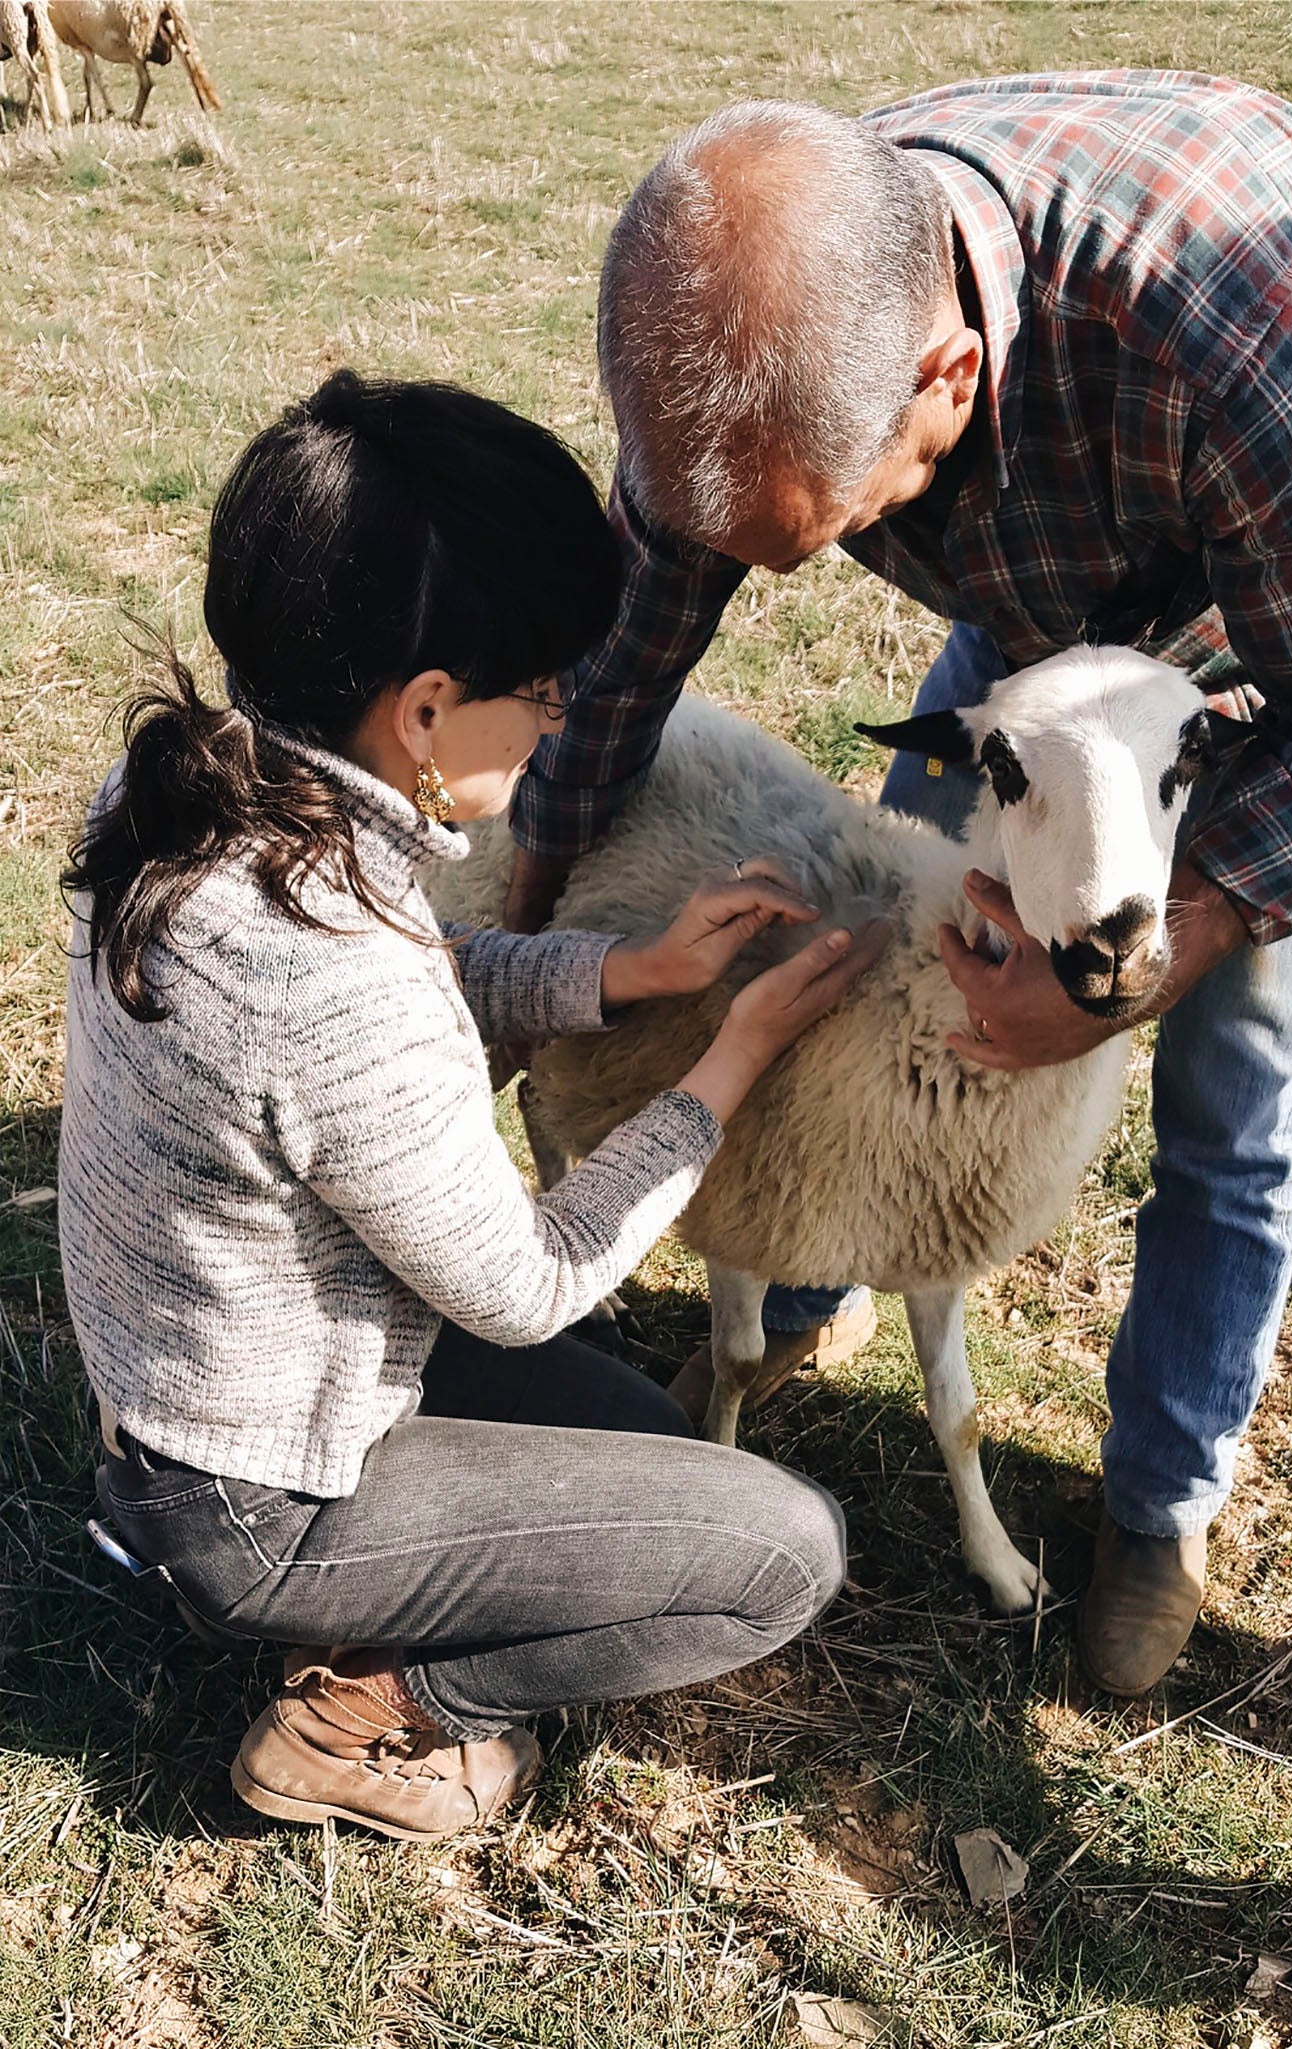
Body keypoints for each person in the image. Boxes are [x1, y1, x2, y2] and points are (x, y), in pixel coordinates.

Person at [500, 77, 1292, 1696]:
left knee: (1234, 1104)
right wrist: (514, 941)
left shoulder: (1253, 333)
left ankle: (1158, 1505)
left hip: (1278, 653)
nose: (769, 568)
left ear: (951, 374)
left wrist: (1136, 964)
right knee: (910, 968)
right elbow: (630, 666)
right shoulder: (759, 322)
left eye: (817, 536)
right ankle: (828, 1256)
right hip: (1029, 631)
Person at [59, 370, 888, 1842]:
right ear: (429, 711)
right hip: (258, 1497)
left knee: (653, 1442)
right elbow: (530, 1279)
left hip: (216, 1376)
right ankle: (380, 1716)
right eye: (549, 689)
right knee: (777, 1550)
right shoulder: (329, 973)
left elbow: (411, 980)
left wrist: (622, 969)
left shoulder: (200, 784)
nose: (564, 714)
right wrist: (728, 1060)